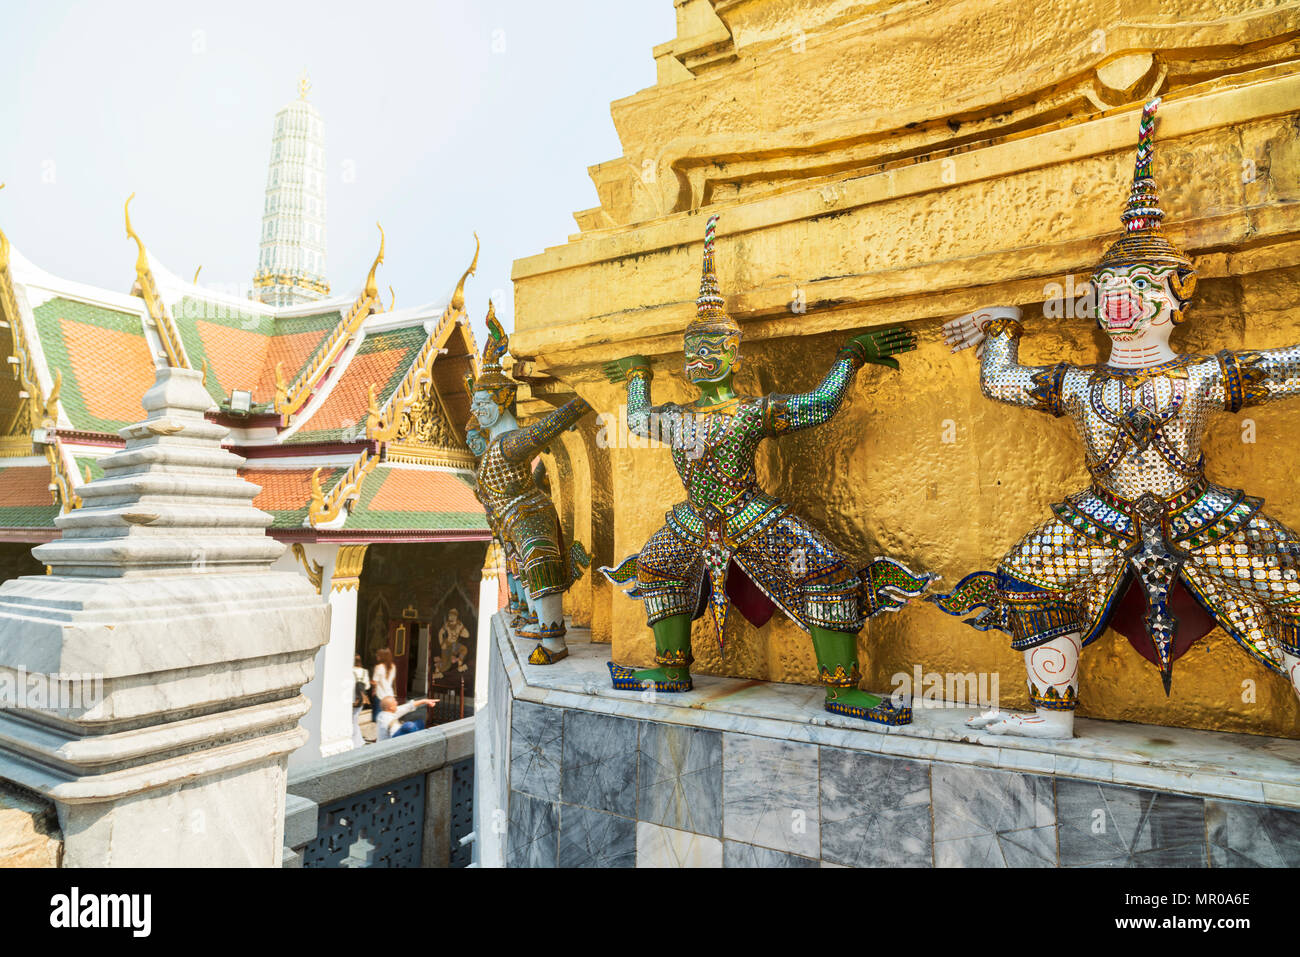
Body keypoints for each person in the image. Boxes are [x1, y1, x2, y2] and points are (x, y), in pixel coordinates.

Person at [370, 648, 396, 722]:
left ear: (382, 656)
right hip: (389, 694)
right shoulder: (393, 666)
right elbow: (392, 679)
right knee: (388, 717)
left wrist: (367, 681)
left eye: (378, 655)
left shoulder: (378, 667)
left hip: (380, 695)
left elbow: (374, 681)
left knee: (377, 718)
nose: (376, 656)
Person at [351, 654, 369, 748]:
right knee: (355, 719)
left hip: (351, 699)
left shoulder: (350, 671)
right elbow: (368, 686)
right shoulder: (364, 672)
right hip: (361, 699)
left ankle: (356, 742)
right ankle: (359, 741)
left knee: (352, 721)